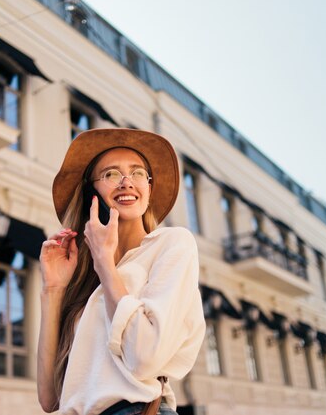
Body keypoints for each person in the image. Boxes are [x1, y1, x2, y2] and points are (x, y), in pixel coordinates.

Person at [37, 128, 205, 415]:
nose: (127, 182)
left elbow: (145, 358)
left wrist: (104, 261)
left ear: (149, 189)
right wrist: (53, 290)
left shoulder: (172, 244)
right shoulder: (86, 282)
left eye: (138, 173)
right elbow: (50, 397)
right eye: (111, 174)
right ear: (92, 192)